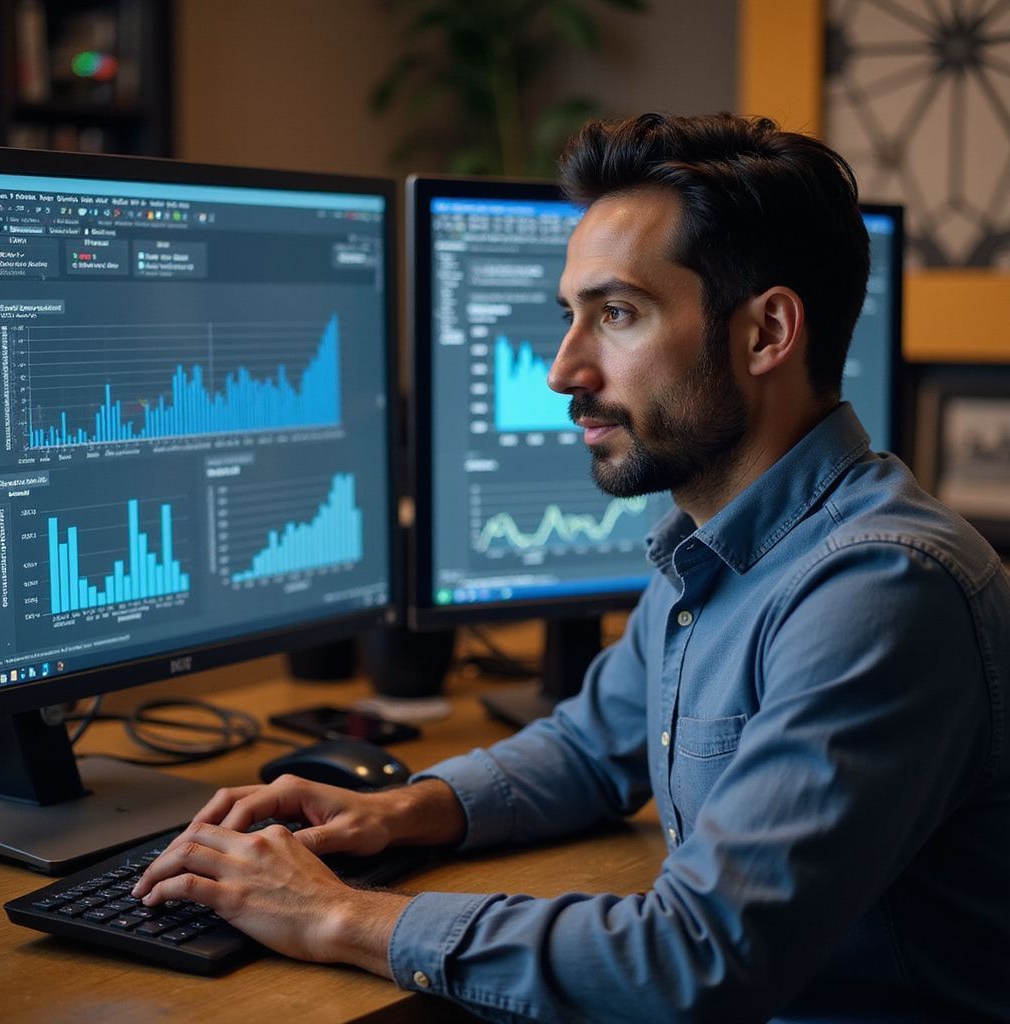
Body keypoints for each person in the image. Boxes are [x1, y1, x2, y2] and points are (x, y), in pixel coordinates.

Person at [132, 113, 1010, 1022]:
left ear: (766, 334)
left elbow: (692, 962)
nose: (562, 370)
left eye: (617, 314)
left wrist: (341, 917)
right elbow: (593, 748)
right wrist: (398, 812)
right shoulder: (718, 543)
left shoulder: (878, 592)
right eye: (570, 317)